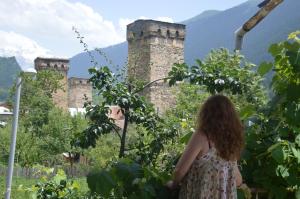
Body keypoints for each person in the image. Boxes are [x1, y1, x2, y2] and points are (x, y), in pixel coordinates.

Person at [167, 94, 244, 199]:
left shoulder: (202, 136)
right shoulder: (230, 141)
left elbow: (179, 171)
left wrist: (173, 184)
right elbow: (237, 180)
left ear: (207, 114)